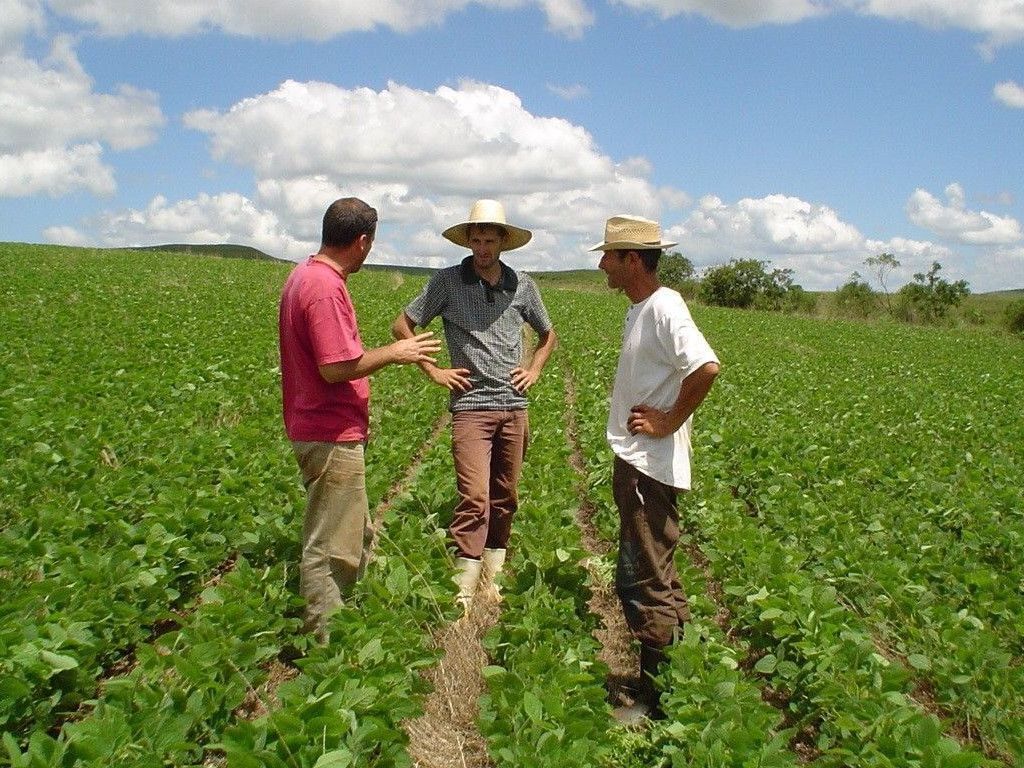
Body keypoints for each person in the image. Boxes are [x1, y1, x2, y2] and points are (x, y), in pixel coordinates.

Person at [279, 197, 442, 642]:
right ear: (363, 241)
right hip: (329, 431)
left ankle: (339, 626)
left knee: (349, 534)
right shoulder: (324, 287)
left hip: (317, 427)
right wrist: (397, 352)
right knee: (331, 547)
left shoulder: (304, 275)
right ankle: (325, 646)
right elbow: (335, 367)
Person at [392, 199, 556, 614]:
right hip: (471, 406)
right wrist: (433, 371)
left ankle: (492, 578)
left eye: (490, 240)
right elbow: (403, 324)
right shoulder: (446, 282)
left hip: (514, 405)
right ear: (467, 241)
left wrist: (533, 369)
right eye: (476, 240)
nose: (482, 248)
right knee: (475, 497)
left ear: (503, 242)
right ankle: (462, 592)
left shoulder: (523, 285)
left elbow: (548, 335)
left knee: (506, 496)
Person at [591, 214, 720, 721]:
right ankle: (679, 680)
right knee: (652, 573)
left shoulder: (664, 306)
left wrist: (668, 420)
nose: (602, 264)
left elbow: (705, 366)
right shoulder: (640, 307)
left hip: (650, 467)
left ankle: (657, 703)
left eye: (609, 256)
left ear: (633, 260)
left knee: (645, 579)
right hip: (637, 461)